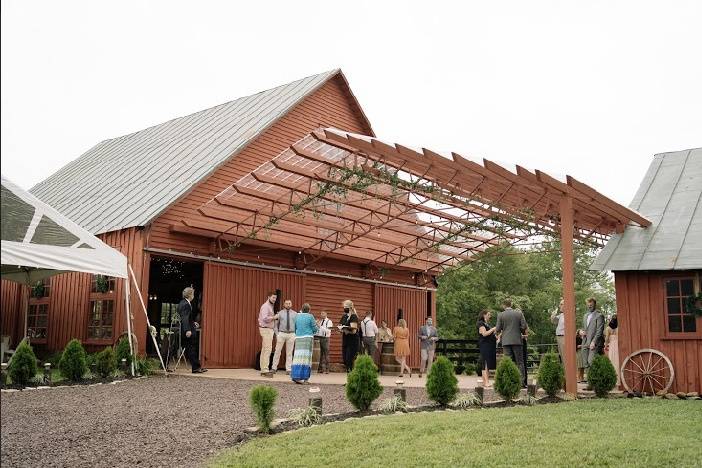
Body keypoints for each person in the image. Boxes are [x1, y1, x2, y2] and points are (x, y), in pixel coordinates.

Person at [495, 298, 528, 388]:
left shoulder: (500, 315)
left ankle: (510, 380)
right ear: (511, 304)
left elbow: (497, 329)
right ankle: (521, 382)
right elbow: (524, 326)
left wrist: (501, 331)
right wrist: (518, 330)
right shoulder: (519, 313)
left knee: (508, 361)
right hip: (517, 340)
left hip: (506, 341)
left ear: (503, 305)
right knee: (520, 362)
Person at [178, 287, 207, 373]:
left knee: (191, 348)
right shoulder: (186, 304)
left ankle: (196, 367)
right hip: (188, 330)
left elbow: (187, 318)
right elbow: (184, 318)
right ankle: (196, 368)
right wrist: (188, 330)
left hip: (189, 327)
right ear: (190, 295)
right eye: (193, 294)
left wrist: (193, 323)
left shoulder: (182, 302)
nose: (193, 295)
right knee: (192, 348)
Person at [291, 303, 318, 384]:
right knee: (306, 358)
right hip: (307, 338)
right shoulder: (310, 316)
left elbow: (295, 327)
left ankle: (295, 376)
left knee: (297, 357)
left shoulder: (297, 316)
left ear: (301, 309)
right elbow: (314, 328)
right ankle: (305, 379)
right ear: (309, 310)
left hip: (298, 338)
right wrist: (316, 327)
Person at [272, 299, 297, 375]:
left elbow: (297, 325)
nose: (288, 305)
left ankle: (288, 369)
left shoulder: (295, 314)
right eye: (286, 303)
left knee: (289, 353)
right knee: (277, 351)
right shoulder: (280, 313)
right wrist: (277, 334)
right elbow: (275, 325)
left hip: (291, 334)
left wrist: (295, 334)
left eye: (289, 303)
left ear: (291, 304)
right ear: (284, 304)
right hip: (282, 334)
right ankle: (274, 368)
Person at [258, 291, 279, 377]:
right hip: (266, 329)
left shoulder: (270, 306)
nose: (274, 299)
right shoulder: (266, 306)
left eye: (275, 298)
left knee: (264, 349)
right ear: (268, 297)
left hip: (268, 330)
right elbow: (265, 318)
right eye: (273, 297)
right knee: (267, 349)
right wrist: (275, 317)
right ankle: (265, 370)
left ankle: (263, 369)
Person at [477, 309, 497, 387]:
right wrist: (493, 329)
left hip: (490, 345)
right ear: (484, 315)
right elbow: (484, 334)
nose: (490, 316)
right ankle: (485, 382)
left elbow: (493, 335)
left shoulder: (487, 324)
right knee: (485, 362)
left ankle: (486, 381)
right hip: (484, 345)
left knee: (488, 363)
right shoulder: (480, 323)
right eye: (488, 314)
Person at [582, 297, 605, 368]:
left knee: (591, 362)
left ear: (595, 304)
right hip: (585, 342)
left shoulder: (599, 315)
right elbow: (585, 328)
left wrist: (594, 342)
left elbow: (599, 331)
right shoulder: (585, 316)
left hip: (594, 343)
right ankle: (589, 378)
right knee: (585, 363)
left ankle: (595, 378)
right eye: (588, 305)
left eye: (591, 305)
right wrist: (581, 331)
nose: (589, 306)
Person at [339, 300, 360, 372]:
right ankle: (349, 379)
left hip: (353, 341)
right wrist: (340, 330)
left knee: (349, 360)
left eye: (345, 307)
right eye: (344, 307)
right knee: (345, 360)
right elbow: (340, 326)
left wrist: (347, 331)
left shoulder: (354, 316)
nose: (344, 308)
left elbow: (354, 331)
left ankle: (351, 379)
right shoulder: (344, 316)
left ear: (350, 308)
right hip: (345, 340)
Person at [605, 314, 619, 385]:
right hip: (618, 345)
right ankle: (618, 379)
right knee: (618, 361)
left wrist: (605, 345)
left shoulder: (608, 328)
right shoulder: (618, 328)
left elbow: (607, 338)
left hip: (612, 346)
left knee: (612, 361)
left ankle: (613, 380)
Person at [550, 299, 565, 363]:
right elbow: (553, 321)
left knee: (565, 357)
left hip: (564, 337)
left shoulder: (570, 314)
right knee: (562, 357)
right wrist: (553, 314)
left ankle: (567, 372)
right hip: (559, 337)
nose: (559, 306)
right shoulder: (561, 315)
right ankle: (565, 371)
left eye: (561, 304)